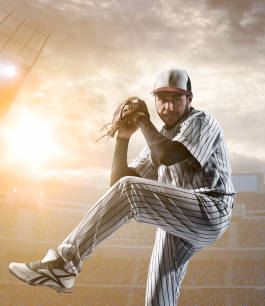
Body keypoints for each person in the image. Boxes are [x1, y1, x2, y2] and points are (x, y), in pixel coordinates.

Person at [8, 67, 235, 305]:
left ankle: (65, 263)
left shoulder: (202, 121)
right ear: (154, 99)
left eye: (176, 99)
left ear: (189, 99)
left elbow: (167, 155)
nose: (168, 107)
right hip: (178, 220)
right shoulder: (157, 141)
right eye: (162, 99)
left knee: (131, 190)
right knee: (158, 298)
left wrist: (142, 119)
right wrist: (123, 138)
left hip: (211, 209)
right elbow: (117, 187)